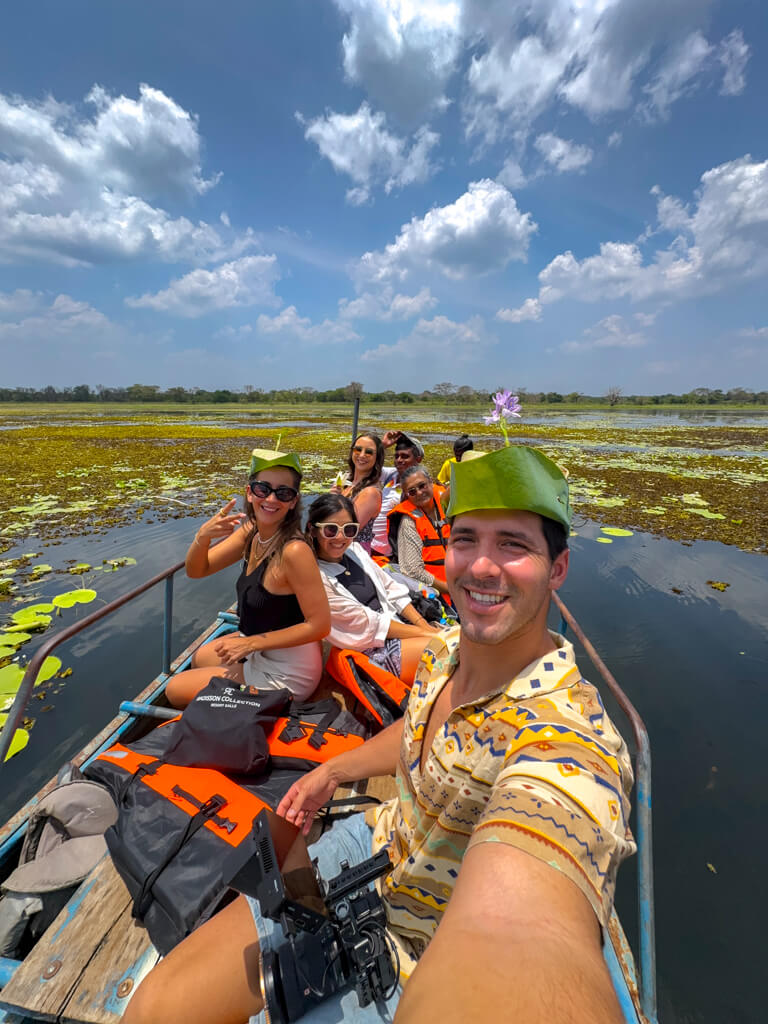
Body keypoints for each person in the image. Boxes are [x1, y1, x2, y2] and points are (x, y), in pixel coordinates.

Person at [123, 444, 635, 1024]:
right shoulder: (446, 654)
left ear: (558, 569)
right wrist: (333, 770)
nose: (482, 566)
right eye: (465, 539)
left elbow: (532, 936)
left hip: (420, 944)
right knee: (155, 1011)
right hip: (372, 845)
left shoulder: (566, 741)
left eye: (513, 545)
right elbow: (419, 731)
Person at [165, 449, 330, 707]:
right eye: (263, 488)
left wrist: (250, 644)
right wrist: (203, 536)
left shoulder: (294, 551)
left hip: (287, 670)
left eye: (283, 493)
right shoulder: (252, 532)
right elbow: (197, 570)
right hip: (260, 648)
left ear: (293, 501)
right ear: (250, 492)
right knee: (199, 658)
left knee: (174, 690)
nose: (271, 499)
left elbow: (320, 626)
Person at [306, 492, 438, 684]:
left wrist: (423, 624)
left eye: (349, 530)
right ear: (313, 529)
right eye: (330, 530)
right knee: (449, 648)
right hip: (371, 650)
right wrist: (427, 634)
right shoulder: (314, 575)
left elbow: (391, 588)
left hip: (400, 629)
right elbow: (368, 623)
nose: (340, 537)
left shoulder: (355, 551)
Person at [386, 465, 451, 597]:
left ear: (431, 482)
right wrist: (448, 588)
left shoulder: (447, 504)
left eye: (422, 486)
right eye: (412, 491)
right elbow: (412, 570)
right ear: (406, 494)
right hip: (438, 594)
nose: (419, 492)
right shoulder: (408, 522)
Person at [370, 431, 428, 559]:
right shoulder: (391, 475)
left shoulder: (422, 487)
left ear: (418, 459)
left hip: (393, 555)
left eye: (405, 456)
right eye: (396, 456)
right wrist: (383, 445)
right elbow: (367, 464)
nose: (399, 460)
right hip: (372, 547)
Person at [333, 433, 385, 553]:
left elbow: (348, 530)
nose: (362, 455)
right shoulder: (347, 483)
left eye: (369, 452)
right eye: (358, 449)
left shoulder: (370, 493)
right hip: (336, 547)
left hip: (353, 554)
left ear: (377, 458)